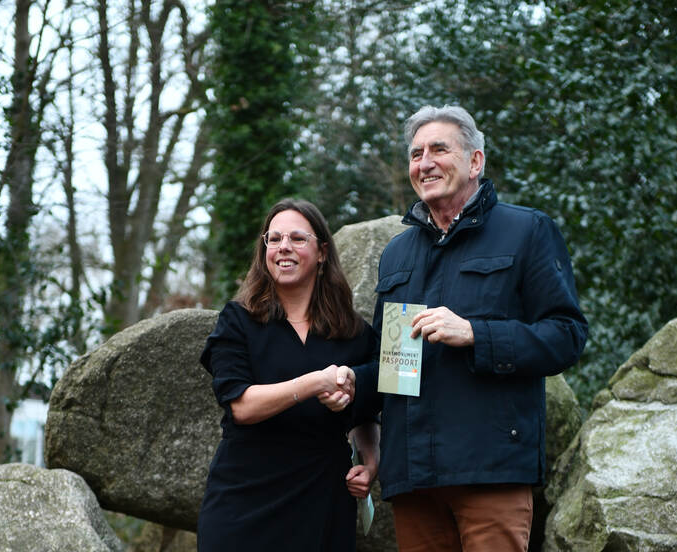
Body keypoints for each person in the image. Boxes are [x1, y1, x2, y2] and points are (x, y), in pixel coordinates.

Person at [370, 105, 588, 551]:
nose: (424, 162)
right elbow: (389, 365)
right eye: (415, 154)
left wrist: (476, 334)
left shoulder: (527, 231)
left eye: (438, 149)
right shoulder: (396, 254)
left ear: (475, 162)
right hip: (413, 481)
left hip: (491, 471)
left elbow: (566, 336)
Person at [197, 198, 380, 552]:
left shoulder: (354, 331)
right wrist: (315, 382)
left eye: (298, 238)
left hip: (322, 496)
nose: (283, 247)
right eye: (274, 238)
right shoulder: (237, 321)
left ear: (322, 251)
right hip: (244, 498)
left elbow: (367, 409)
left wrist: (371, 462)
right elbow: (242, 407)